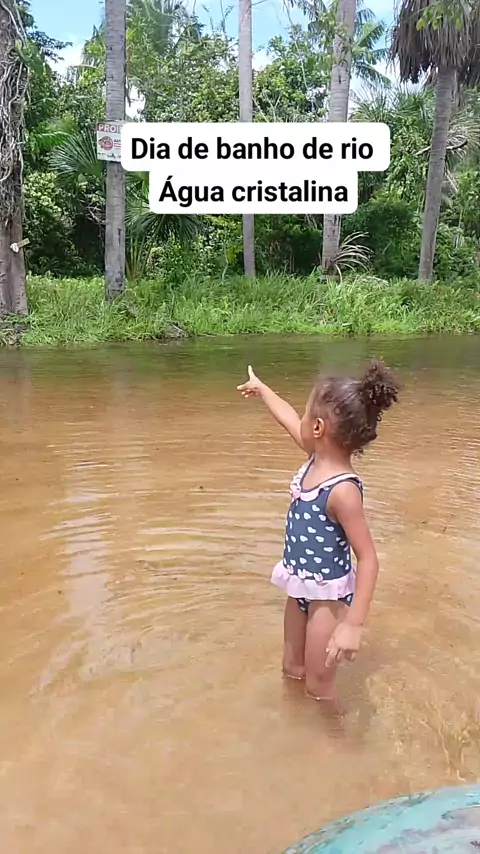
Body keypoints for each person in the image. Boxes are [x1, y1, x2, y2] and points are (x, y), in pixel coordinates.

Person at [237, 361, 399, 707]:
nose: (300, 418)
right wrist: (263, 390)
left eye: (307, 412)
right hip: (299, 587)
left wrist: (353, 625)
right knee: (292, 669)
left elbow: (368, 558)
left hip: (327, 598)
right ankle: (295, 731)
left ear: (319, 427)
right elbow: (287, 418)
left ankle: (334, 736)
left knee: (319, 685)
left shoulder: (342, 491)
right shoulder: (314, 456)